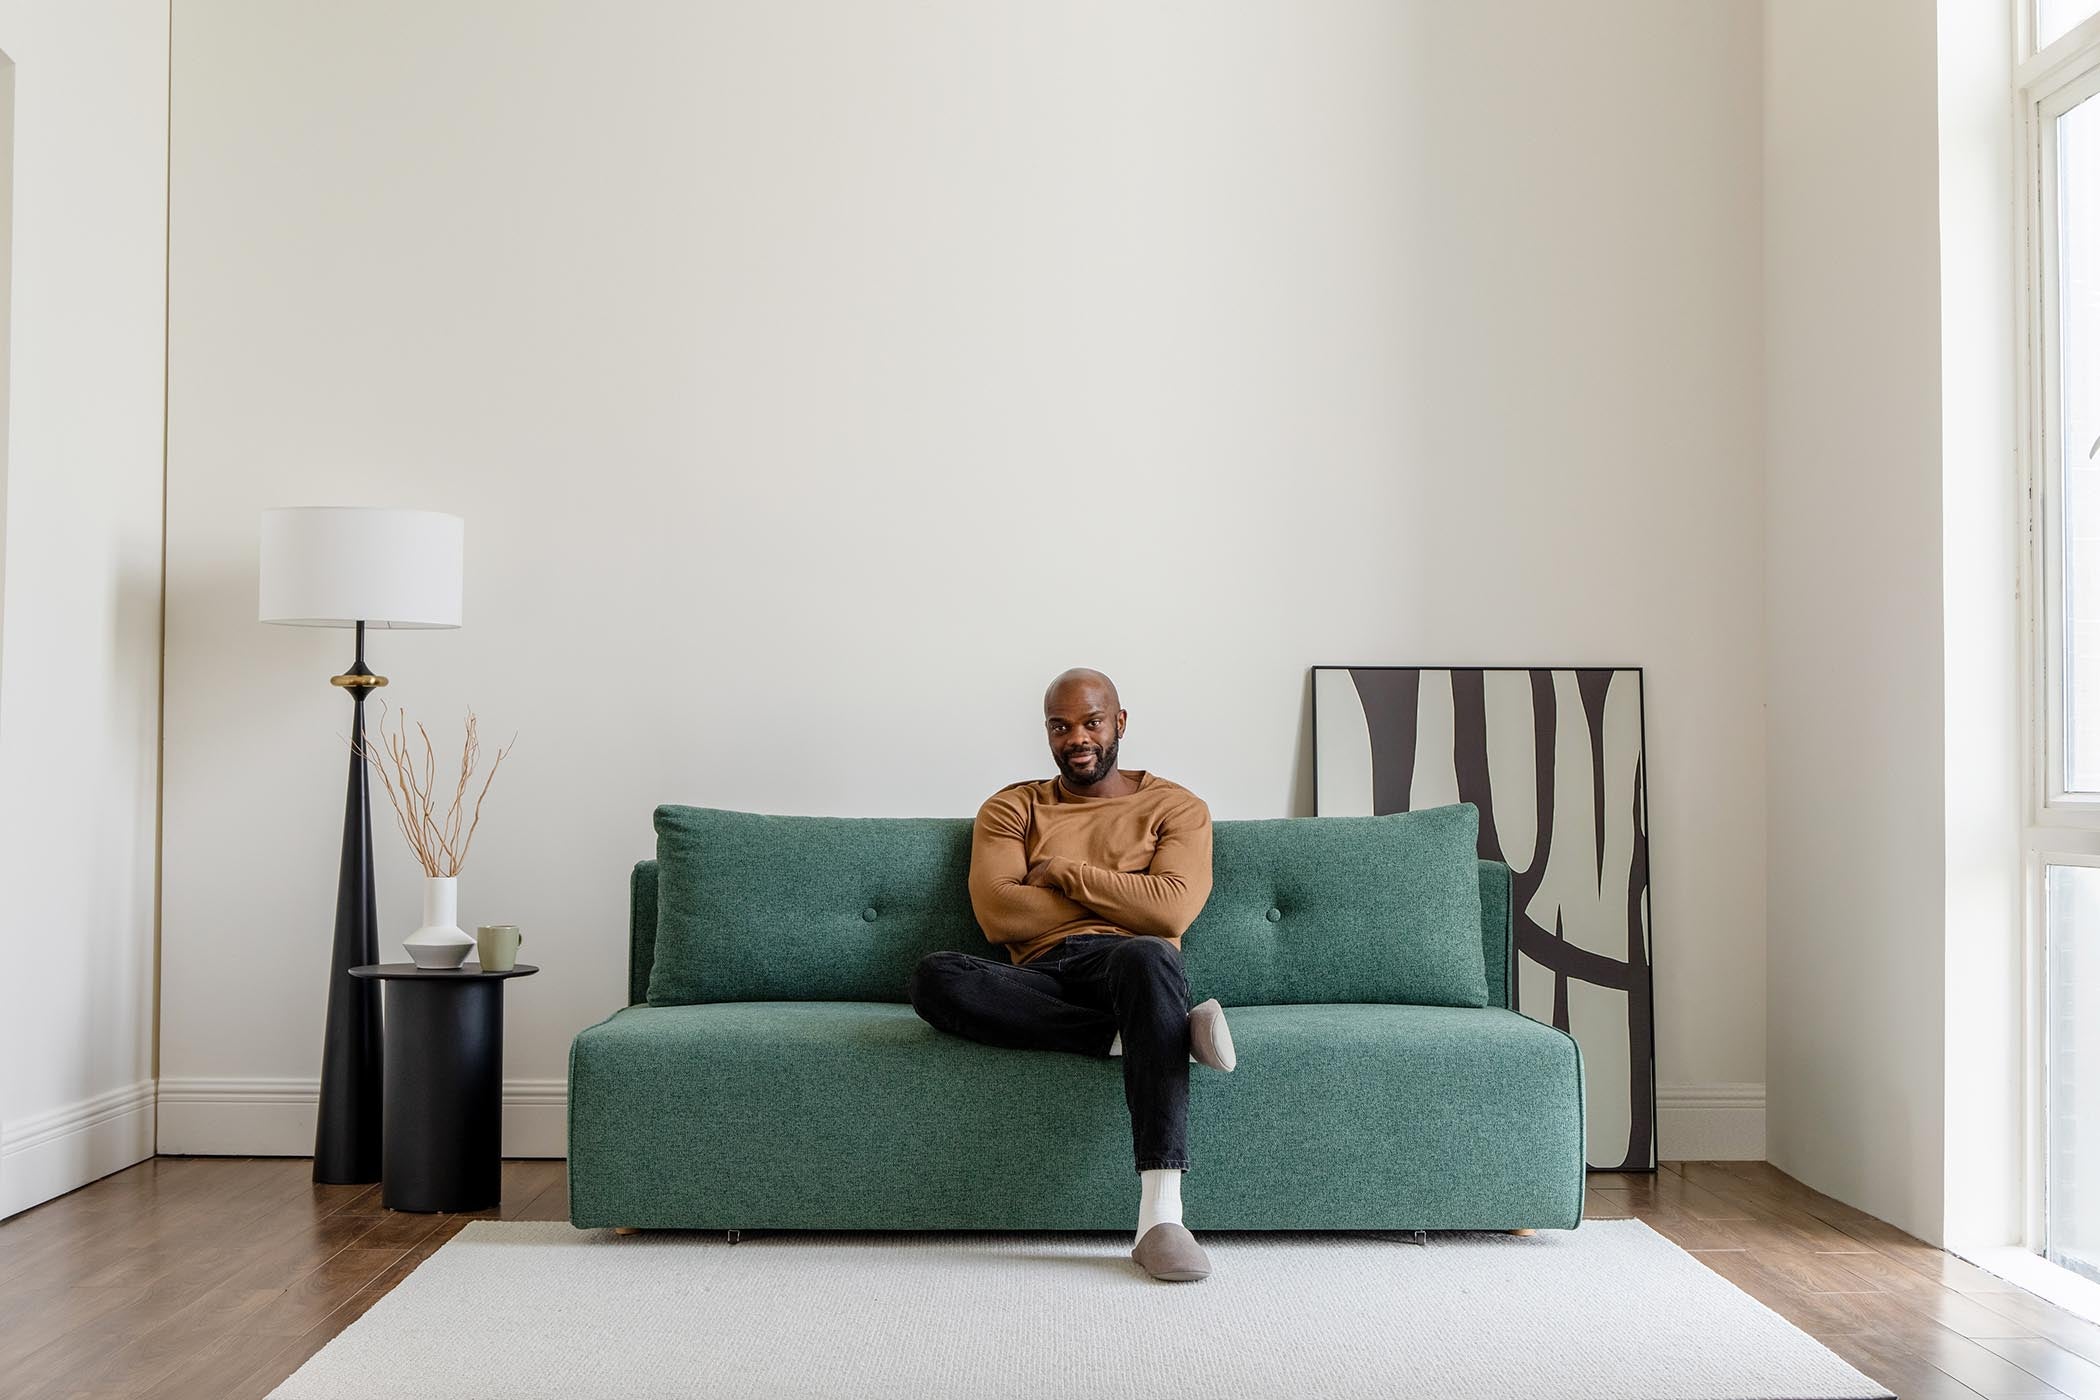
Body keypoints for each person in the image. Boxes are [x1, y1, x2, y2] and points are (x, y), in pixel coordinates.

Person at [906, 667, 1235, 1283]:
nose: (1077, 737)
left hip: (1127, 966)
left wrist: (1059, 871)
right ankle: (1151, 1036)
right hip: (1037, 973)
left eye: (1091, 722)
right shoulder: (1012, 807)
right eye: (1061, 726)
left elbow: (1167, 911)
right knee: (935, 976)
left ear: (1120, 722)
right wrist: (1128, 893)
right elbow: (1000, 914)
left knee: (1147, 951)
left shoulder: (1176, 807)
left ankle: (1161, 1218)